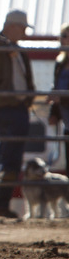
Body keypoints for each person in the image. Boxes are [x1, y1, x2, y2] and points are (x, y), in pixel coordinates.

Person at [0, 9, 37, 219]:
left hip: (15, 106)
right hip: (1, 105)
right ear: (11, 26)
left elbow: (26, 79)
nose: (24, 33)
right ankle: (1, 204)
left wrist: (29, 97)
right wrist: (6, 45)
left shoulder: (18, 51)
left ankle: (1, 204)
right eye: (22, 28)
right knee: (12, 156)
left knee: (11, 154)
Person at [50, 23, 69, 166]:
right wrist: (54, 112)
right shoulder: (60, 62)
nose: (66, 39)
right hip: (65, 116)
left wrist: (61, 97)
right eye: (63, 36)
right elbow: (57, 86)